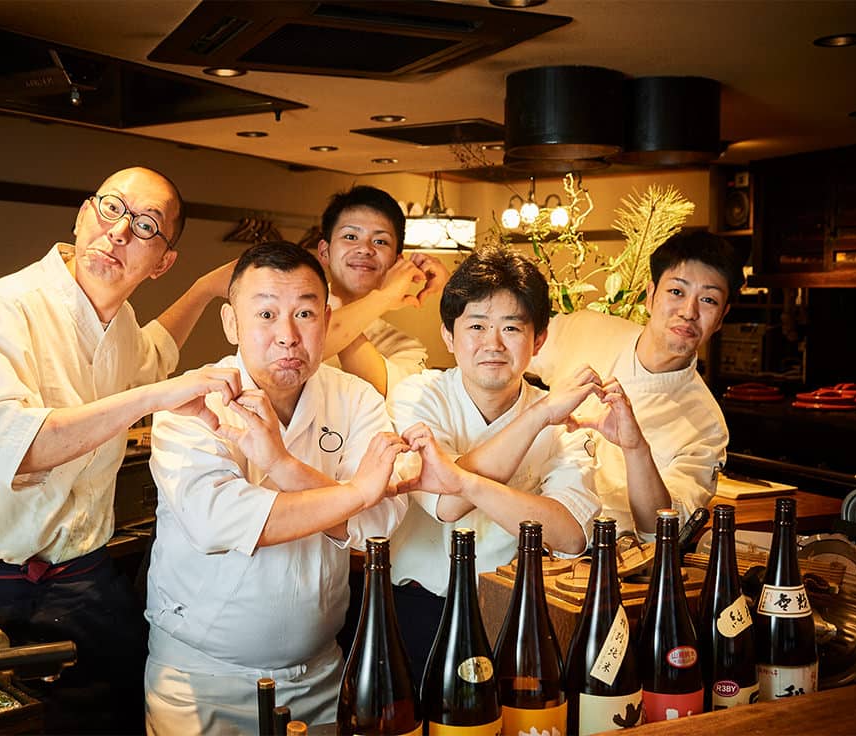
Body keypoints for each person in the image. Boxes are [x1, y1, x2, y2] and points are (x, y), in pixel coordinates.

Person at [0, 166, 238, 735]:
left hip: (84, 573)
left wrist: (207, 289)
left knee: (119, 714)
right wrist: (156, 397)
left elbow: (153, 355)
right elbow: (21, 447)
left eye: (145, 225)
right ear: (83, 215)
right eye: (111, 209)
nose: (119, 231)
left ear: (161, 263)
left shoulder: (121, 322)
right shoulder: (7, 306)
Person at [144, 241, 412, 736]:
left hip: (320, 674)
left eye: (304, 313)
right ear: (232, 323)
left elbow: (377, 526)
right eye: (266, 314)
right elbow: (217, 522)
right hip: (201, 680)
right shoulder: (191, 400)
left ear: (326, 320)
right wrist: (355, 493)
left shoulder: (356, 400)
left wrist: (280, 464)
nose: (287, 335)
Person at [385, 246, 603, 680]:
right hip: (421, 609)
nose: (493, 344)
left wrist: (466, 481)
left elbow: (571, 534)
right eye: (477, 326)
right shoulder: (418, 395)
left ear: (538, 340)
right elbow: (444, 504)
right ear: (449, 336)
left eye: (511, 327)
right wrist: (537, 417)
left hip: (517, 612)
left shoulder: (566, 416)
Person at [529, 230, 744, 540]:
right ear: (651, 295)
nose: (689, 312)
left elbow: (661, 530)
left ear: (722, 316)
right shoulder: (588, 330)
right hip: (522, 528)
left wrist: (635, 448)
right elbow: (506, 351)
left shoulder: (706, 427)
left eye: (708, 300)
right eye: (677, 292)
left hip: (610, 557)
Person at [315, 185, 449, 396]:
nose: (365, 249)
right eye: (350, 237)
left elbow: (379, 392)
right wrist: (385, 297)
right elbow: (301, 350)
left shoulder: (405, 348)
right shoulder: (287, 314)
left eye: (380, 241)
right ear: (324, 252)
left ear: (396, 261)